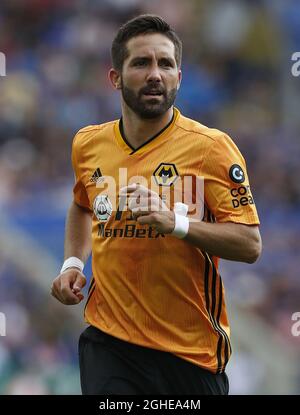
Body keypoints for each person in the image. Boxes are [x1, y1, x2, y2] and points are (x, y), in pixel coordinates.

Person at [51, 14, 261, 395]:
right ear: (115, 78)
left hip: (188, 352)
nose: (155, 74)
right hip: (109, 341)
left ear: (179, 77)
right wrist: (71, 264)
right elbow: (82, 205)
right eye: (141, 63)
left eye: (166, 64)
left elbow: (250, 244)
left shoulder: (211, 148)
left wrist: (176, 223)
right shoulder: (87, 143)